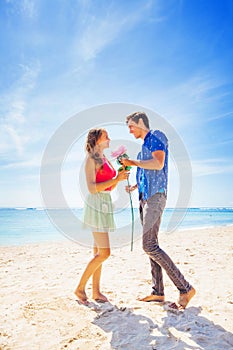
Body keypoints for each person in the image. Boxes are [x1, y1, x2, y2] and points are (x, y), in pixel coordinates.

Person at [121, 112, 195, 309]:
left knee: (149, 246)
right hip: (145, 199)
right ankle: (158, 292)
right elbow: (146, 173)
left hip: (156, 197)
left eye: (131, 126)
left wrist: (133, 163)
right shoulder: (143, 148)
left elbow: (158, 163)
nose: (129, 130)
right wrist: (134, 187)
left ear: (140, 123)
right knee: (151, 246)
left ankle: (185, 288)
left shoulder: (156, 136)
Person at [74, 128, 128, 305]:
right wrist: (116, 180)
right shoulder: (91, 159)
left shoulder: (105, 159)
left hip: (104, 203)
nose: (110, 139)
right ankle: (80, 288)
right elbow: (91, 188)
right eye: (106, 137)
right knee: (105, 253)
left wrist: (120, 180)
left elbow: (108, 186)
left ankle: (96, 292)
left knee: (98, 252)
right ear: (97, 140)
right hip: (96, 204)